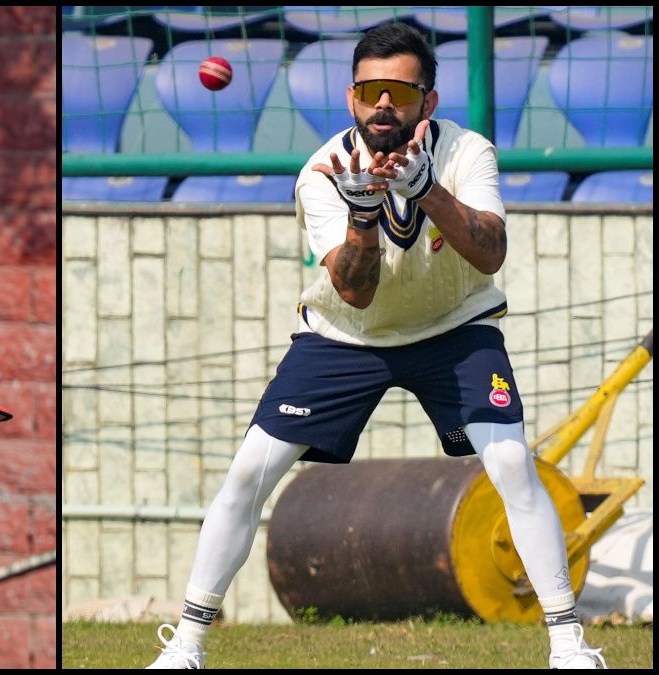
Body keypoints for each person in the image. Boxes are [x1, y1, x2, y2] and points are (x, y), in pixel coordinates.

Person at [146, 23, 606, 670]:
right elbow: (355, 293)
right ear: (351, 97)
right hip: (346, 334)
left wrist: (426, 192)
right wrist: (363, 215)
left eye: (399, 89)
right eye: (370, 90)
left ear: (429, 101)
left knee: (510, 465)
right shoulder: (321, 171)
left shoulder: (467, 153)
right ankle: (188, 645)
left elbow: (490, 252)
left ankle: (568, 644)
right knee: (249, 472)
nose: (383, 104)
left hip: (455, 325)